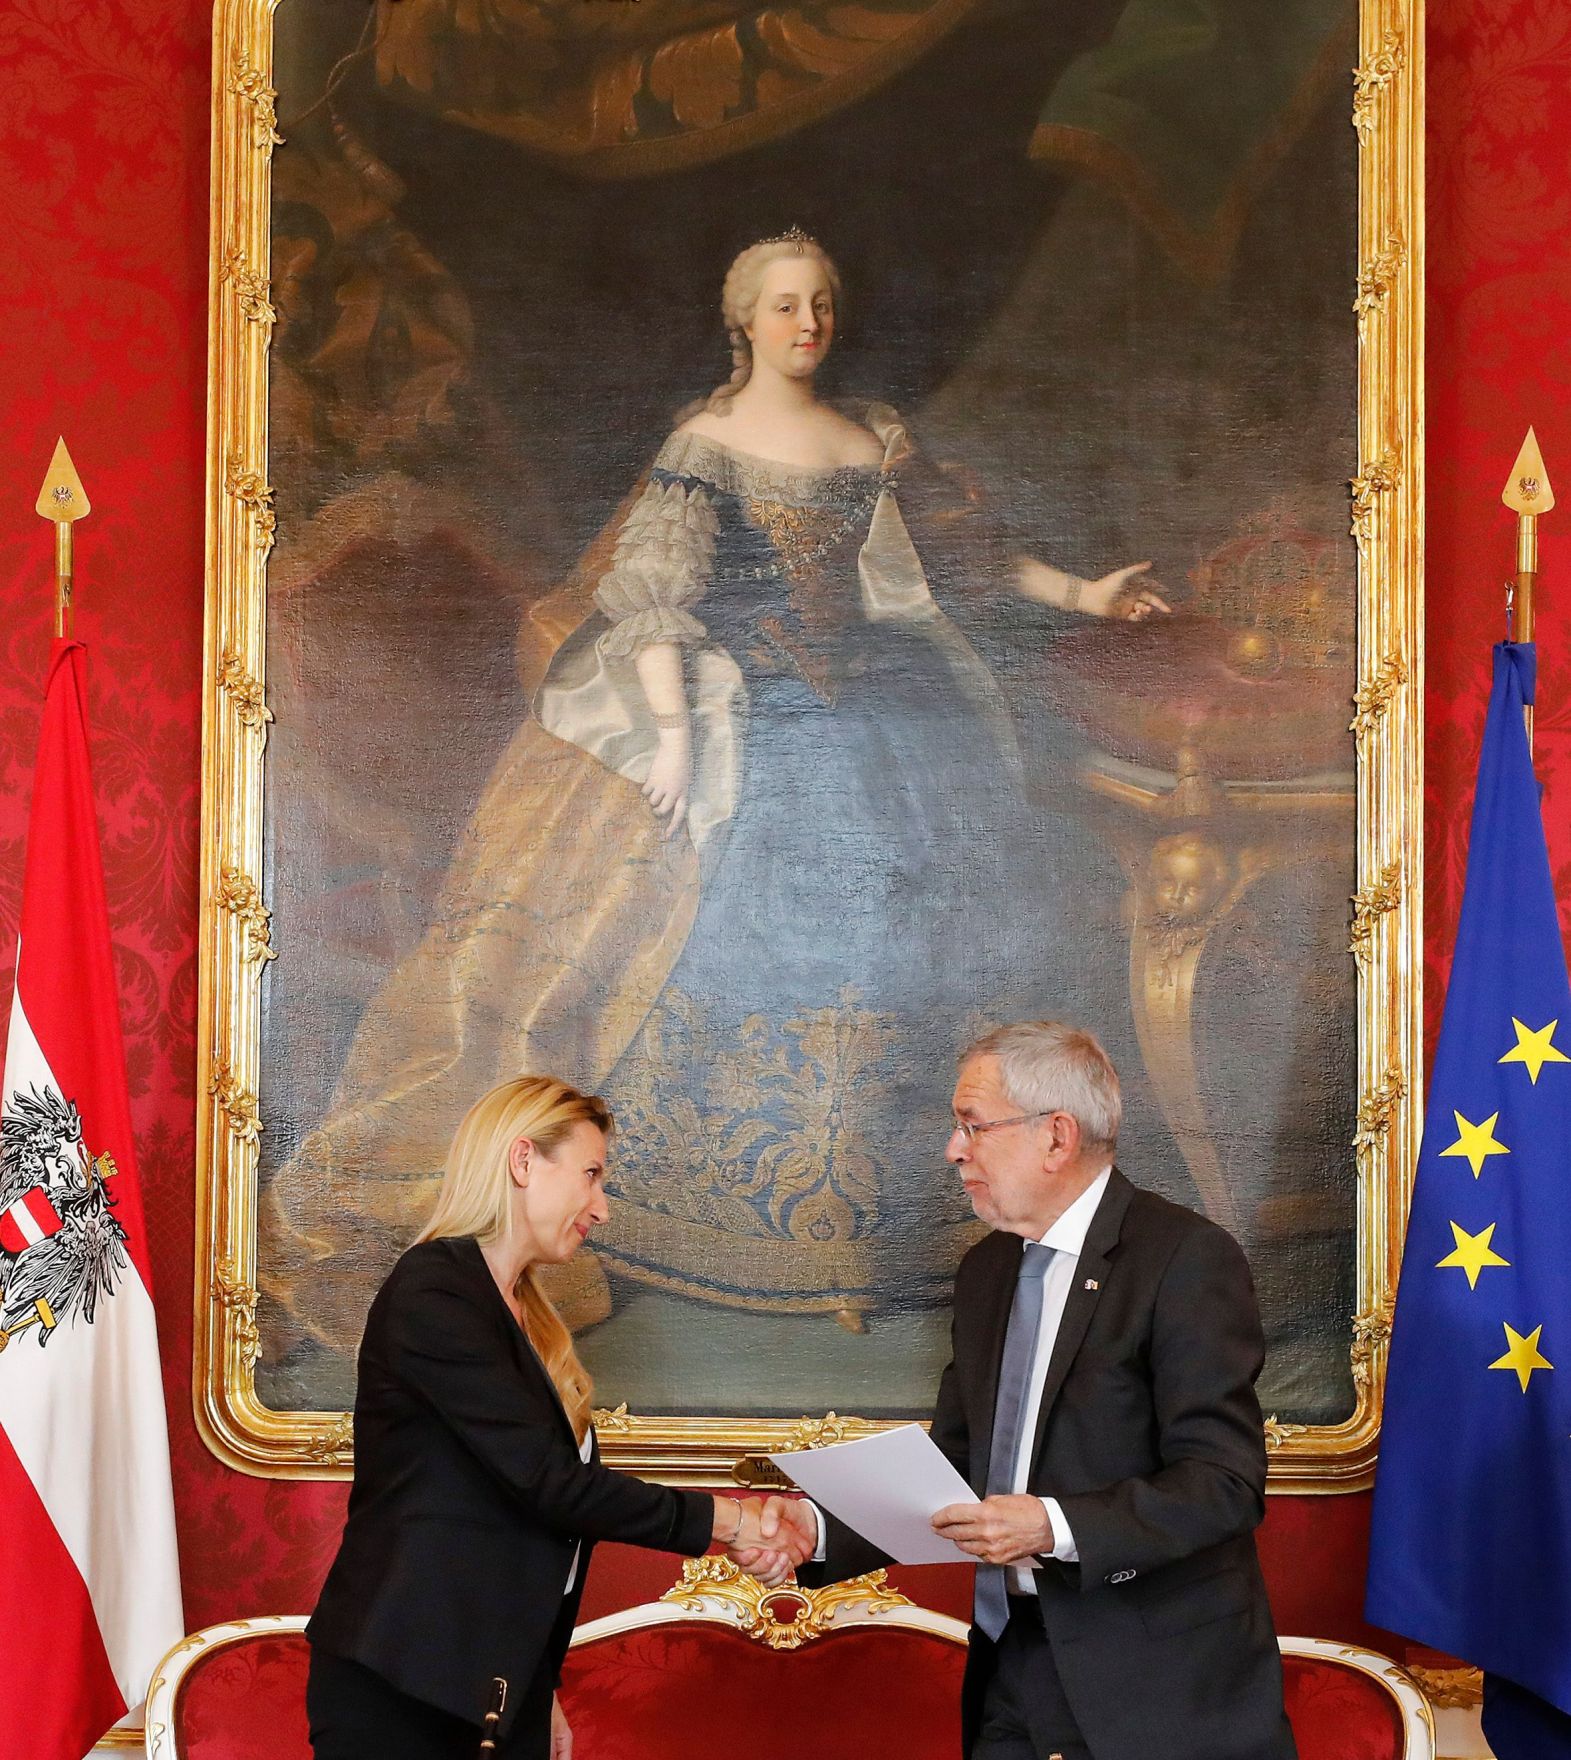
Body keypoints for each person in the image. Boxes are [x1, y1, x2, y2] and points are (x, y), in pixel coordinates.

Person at [267, 229, 1168, 1352]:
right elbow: (654, 594)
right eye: (785, 305)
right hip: (746, 712)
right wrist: (672, 737)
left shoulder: (872, 435)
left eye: (820, 304)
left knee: (926, 920)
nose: (807, 324)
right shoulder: (706, 441)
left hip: (885, 711)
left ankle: (899, 1219)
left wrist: (1085, 593)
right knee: (705, 918)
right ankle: (708, 1219)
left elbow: (960, 560)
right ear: (744, 320)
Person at [759, 1022, 1295, 1760]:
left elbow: (1224, 1484)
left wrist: (1052, 1525)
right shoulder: (986, 1271)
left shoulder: (1184, 1259)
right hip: (1010, 1669)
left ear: (1056, 1137)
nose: (954, 1150)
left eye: (972, 1126)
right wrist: (819, 1530)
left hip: (1155, 1692)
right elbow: (953, 1472)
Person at [305, 1075, 810, 1760]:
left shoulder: (528, 1318)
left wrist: (531, 1686)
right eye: (591, 1175)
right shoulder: (434, 1291)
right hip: (403, 1687)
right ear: (522, 1161)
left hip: (483, 1686)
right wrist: (733, 1521)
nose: (601, 1208)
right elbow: (550, 1487)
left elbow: (523, 1526)